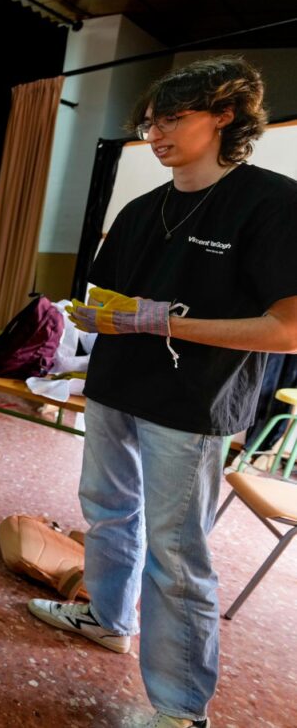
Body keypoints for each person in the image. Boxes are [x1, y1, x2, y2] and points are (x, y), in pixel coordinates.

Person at [27, 56, 297, 728]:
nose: (155, 134)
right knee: (108, 512)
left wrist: (165, 322)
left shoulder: (272, 204)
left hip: (190, 404)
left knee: (176, 553)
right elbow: (107, 300)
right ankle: (108, 618)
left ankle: (180, 709)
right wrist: (95, 319)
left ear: (226, 114)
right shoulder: (142, 209)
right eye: (150, 122)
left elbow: (288, 331)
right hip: (115, 387)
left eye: (173, 119)